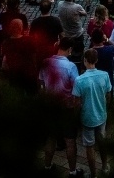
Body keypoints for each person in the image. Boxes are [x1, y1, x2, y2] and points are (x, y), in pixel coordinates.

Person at [39, 37, 81, 177]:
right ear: (69, 49)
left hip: (50, 106)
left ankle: (47, 166)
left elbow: (41, 84)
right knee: (70, 141)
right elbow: (76, 89)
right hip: (66, 108)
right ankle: (73, 171)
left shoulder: (46, 62)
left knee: (50, 138)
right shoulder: (71, 67)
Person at [73, 48, 111, 178]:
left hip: (87, 117)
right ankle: (105, 166)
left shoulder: (79, 80)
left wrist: (75, 116)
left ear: (84, 60)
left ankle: (93, 174)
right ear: (96, 60)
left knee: (90, 146)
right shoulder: (105, 75)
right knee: (102, 141)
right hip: (101, 114)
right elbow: (108, 95)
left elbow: (77, 102)